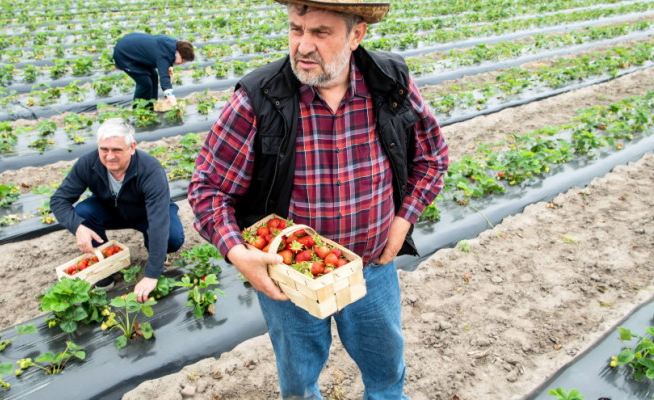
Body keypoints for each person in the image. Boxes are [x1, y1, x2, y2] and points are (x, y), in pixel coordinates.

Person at [188, 0, 449, 397]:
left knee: (386, 370)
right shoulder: (259, 97)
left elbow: (432, 157)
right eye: (296, 29)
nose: (303, 46)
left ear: (356, 34)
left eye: (320, 33)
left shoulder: (389, 82)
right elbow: (208, 188)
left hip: (372, 267)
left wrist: (403, 221)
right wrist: (238, 253)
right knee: (299, 380)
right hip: (291, 280)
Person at [51, 118, 184, 301]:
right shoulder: (88, 163)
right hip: (110, 210)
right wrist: (77, 227)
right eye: (104, 149)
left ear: (132, 147)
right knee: (83, 213)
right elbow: (59, 200)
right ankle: (104, 268)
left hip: (146, 213)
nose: (109, 156)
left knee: (172, 237)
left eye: (116, 150)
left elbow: (158, 221)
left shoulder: (150, 170)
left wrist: (152, 274)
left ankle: (155, 252)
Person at [113, 33, 195, 107]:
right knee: (145, 83)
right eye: (183, 60)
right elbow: (165, 82)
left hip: (137, 52)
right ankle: (138, 109)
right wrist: (175, 106)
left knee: (154, 76)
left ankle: (151, 105)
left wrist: (167, 97)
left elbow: (168, 73)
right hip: (124, 55)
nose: (182, 63)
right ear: (177, 52)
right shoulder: (163, 56)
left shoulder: (173, 45)